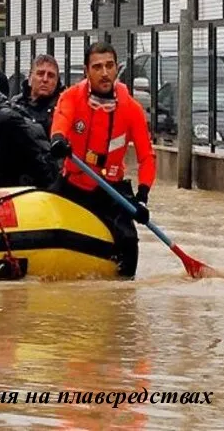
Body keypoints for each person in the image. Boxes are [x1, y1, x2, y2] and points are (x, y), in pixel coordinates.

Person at [49, 41, 156, 277]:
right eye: (97, 67)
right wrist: (58, 140)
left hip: (111, 189)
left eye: (109, 66)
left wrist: (143, 195)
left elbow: (146, 156)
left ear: (117, 68)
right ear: (87, 71)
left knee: (128, 241)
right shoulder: (71, 97)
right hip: (73, 184)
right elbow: (61, 121)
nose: (105, 73)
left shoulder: (132, 109)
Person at [10, 54, 65, 136]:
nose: (45, 79)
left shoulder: (64, 106)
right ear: (30, 77)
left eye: (51, 76)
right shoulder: (15, 104)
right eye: (40, 74)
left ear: (57, 80)